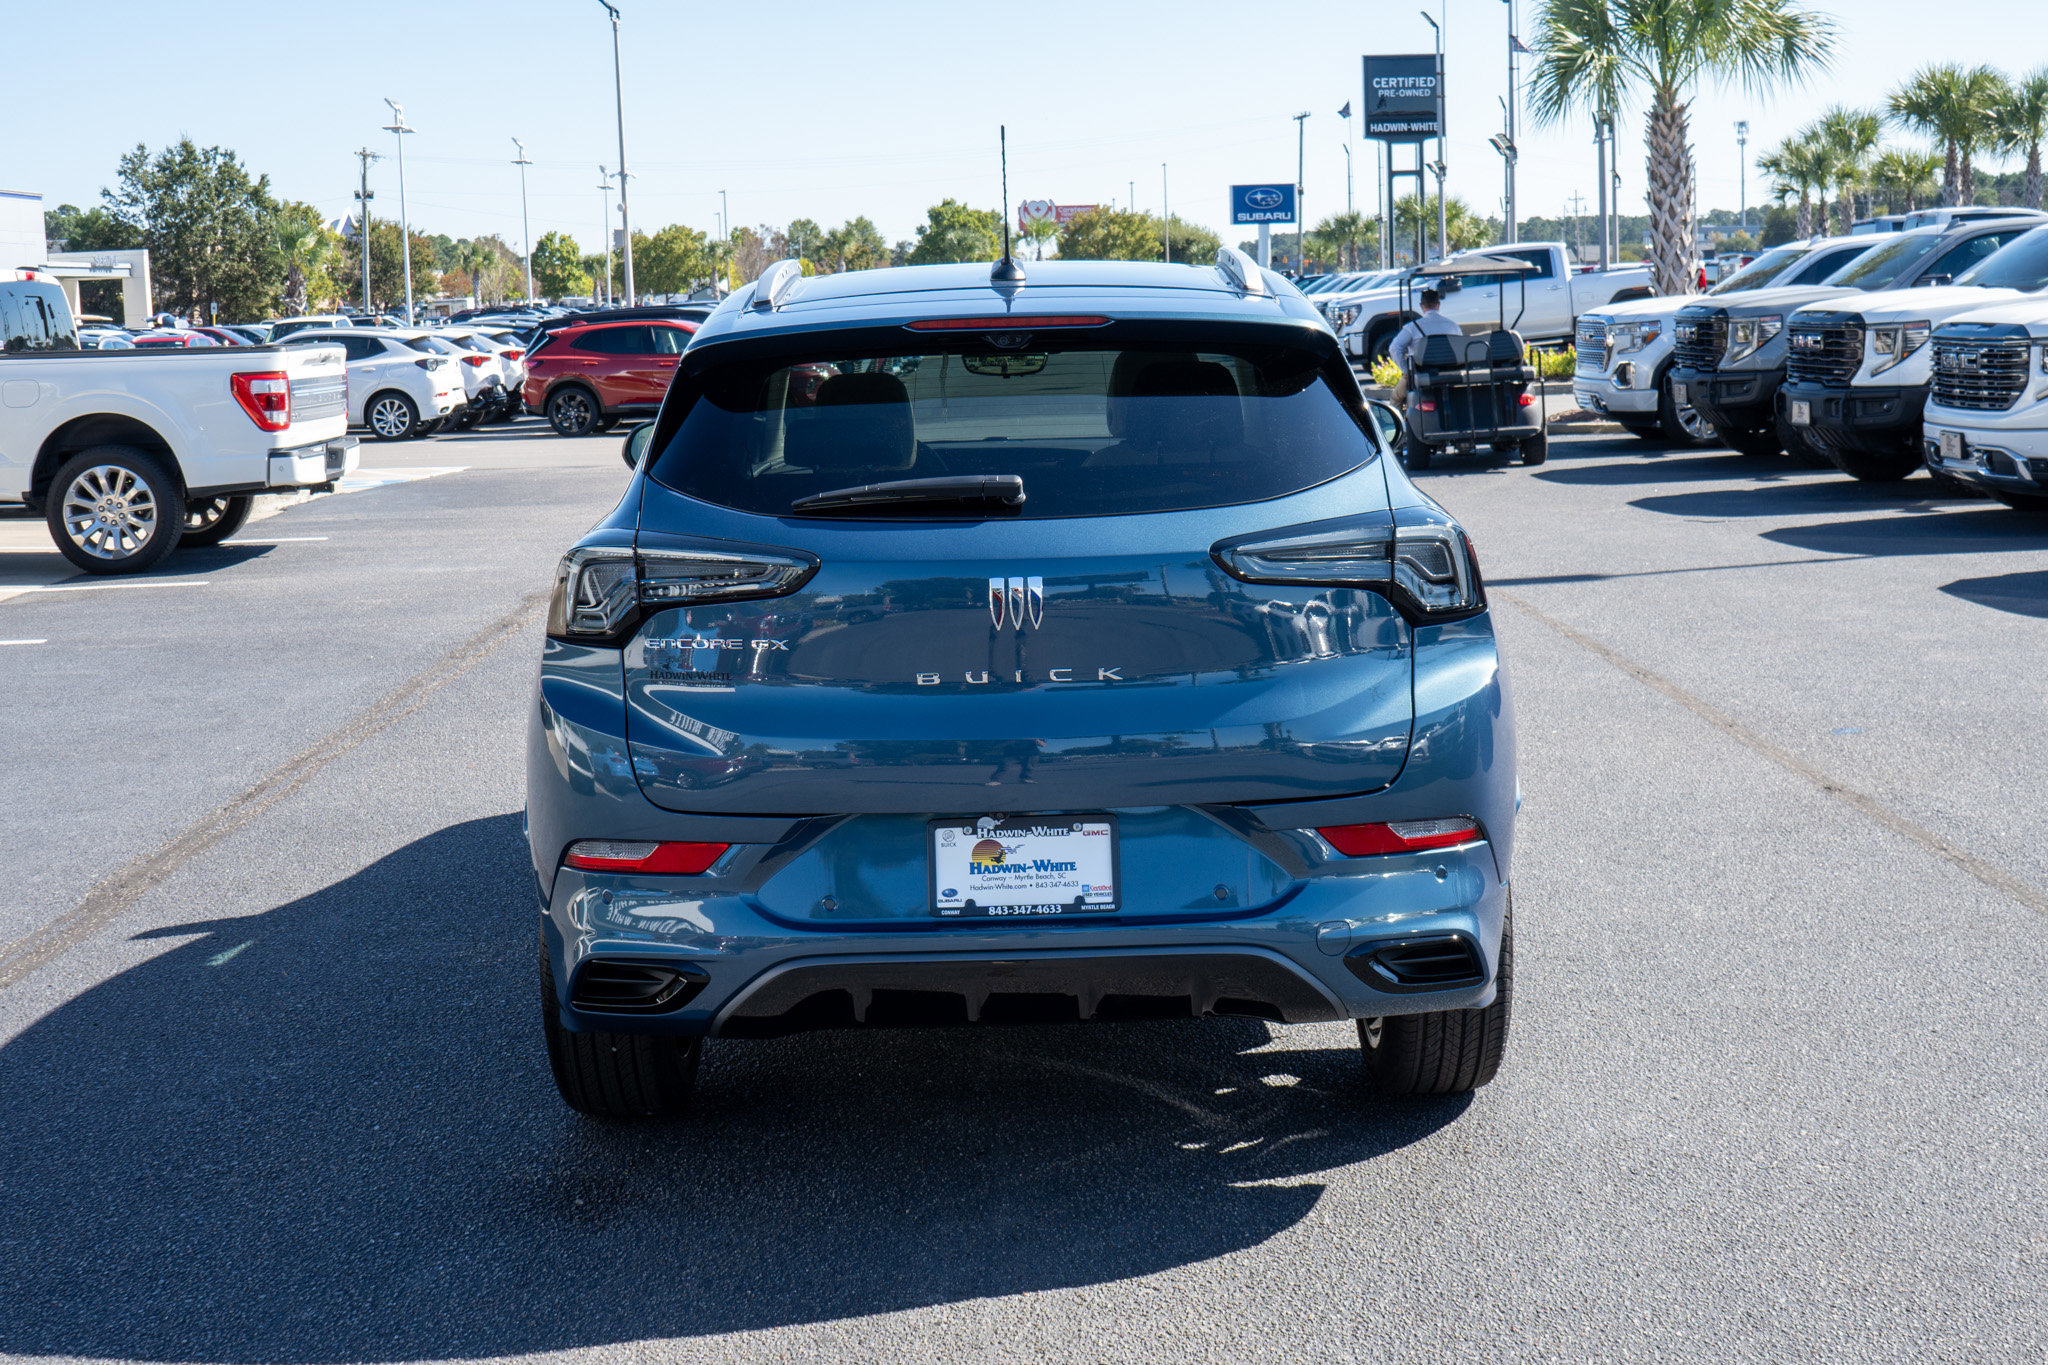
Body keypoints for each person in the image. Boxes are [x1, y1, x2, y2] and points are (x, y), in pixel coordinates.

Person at [1387, 289, 1461, 406]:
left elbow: (1394, 348)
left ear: (1421, 306)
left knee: (1395, 398)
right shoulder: (1453, 326)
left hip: (1421, 375)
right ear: (1438, 304)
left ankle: (1398, 422)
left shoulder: (1412, 327)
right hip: (1449, 374)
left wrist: (1406, 371)